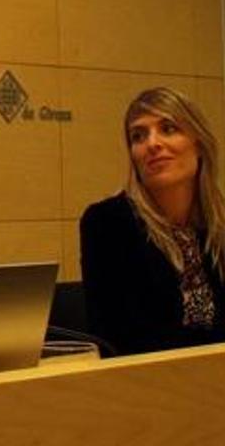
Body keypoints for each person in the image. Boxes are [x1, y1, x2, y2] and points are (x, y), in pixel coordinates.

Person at [80, 87, 225, 356]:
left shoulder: (219, 222)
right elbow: (118, 340)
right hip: (148, 386)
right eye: (138, 136)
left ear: (199, 145)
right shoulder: (108, 223)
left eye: (168, 129)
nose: (152, 144)